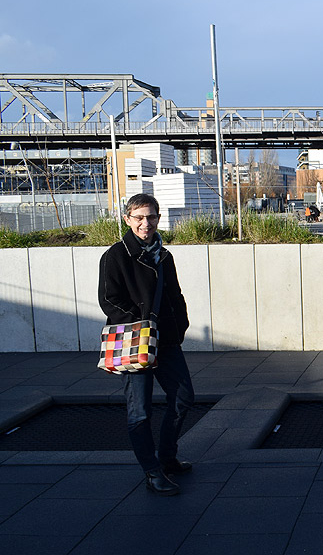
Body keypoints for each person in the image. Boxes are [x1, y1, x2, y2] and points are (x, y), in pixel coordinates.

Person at [98, 193, 194, 497]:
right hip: (136, 341)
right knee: (139, 411)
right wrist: (141, 322)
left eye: (151, 217)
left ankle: (166, 457)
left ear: (158, 218)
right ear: (127, 219)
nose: (145, 223)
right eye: (139, 217)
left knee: (183, 398)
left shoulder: (164, 255)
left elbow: (174, 294)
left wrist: (180, 324)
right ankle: (152, 472)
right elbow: (109, 299)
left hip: (165, 340)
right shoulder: (115, 256)